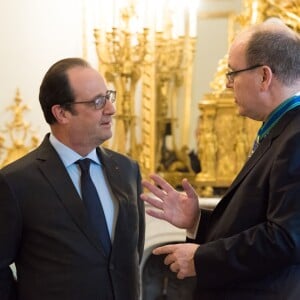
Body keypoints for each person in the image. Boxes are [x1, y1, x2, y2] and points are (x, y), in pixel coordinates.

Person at [141, 19, 300, 300]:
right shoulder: (281, 129)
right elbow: (255, 222)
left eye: (233, 73)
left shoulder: (296, 134)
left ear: (264, 76)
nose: (228, 85)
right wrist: (196, 221)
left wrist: (202, 258)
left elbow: (287, 238)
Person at [0, 57, 145, 300]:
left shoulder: (127, 170)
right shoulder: (16, 183)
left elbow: (131, 255)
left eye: (108, 97)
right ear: (62, 113)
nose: (111, 109)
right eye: (98, 102)